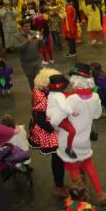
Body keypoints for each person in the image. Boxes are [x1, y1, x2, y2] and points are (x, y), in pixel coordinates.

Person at [58, 64, 106, 205]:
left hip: (68, 140)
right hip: (84, 139)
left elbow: (60, 118)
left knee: (74, 168)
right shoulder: (96, 97)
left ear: (75, 80)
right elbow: (97, 115)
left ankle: (79, 200)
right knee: (88, 164)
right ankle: (100, 193)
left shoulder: (71, 100)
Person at [28, 68, 67, 197]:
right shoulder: (41, 95)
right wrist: (56, 128)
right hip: (49, 129)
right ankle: (59, 186)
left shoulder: (43, 91)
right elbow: (40, 119)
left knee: (60, 157)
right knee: (57, 158)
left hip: (53, 125)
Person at [47, 74, 78, 159]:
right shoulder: (59, 95)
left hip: (53, 114)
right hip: (59, 117)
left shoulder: (52, 93)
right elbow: (64, 106)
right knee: (72, 131)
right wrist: (72, 112)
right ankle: (69, 148)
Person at [10, 18, 43, 89]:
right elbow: (16, 48)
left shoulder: (35, 33)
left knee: (40, 78)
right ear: (21, 27)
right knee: (31, 79)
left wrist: (41, 40)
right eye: (26, 26)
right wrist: (27, 41)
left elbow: (41, 45)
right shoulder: (16, 36)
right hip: (26, 62)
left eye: (29, 26)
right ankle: (34, 94)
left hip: (37, 60)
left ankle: (41, 93)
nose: (28, 28)